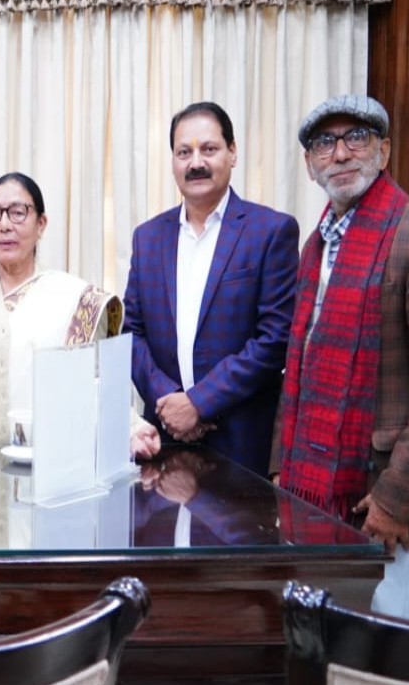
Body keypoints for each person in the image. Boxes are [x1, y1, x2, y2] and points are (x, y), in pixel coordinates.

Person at [278, 94, 409, 623]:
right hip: (314, 496)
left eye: (356, 137)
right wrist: (281, 469)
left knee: (390, 655)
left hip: (385, 508)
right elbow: (299, 366)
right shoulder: (317, 244)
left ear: (383, 151)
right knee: (323, 647)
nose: (341, 153)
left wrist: (395, 500)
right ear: (310, 164)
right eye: (325, 143)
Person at [0, 171, 160, 458]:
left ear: (41, 224)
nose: (4, 225)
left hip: (55, 465)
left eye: (18, 212)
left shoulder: (74, 299)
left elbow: (98, 381)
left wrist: (132, 429)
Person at [124, 101, 300, 476]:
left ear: (232, 153)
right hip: (162, 442)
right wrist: (170, 400)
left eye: (209, 149)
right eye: (183, 152)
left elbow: (275, 339)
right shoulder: (148, 237)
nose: (196, 163)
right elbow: (131, 332)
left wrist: (199, 403)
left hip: (241, 445)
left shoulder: (271, 231)